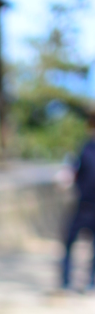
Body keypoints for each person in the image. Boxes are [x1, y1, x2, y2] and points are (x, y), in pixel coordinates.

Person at [61, 112, 95, 292]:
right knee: (68, 242)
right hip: (83, 204)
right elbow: (73, 171)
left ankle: (91, 283)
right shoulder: (85, 148)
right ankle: (65, 282)